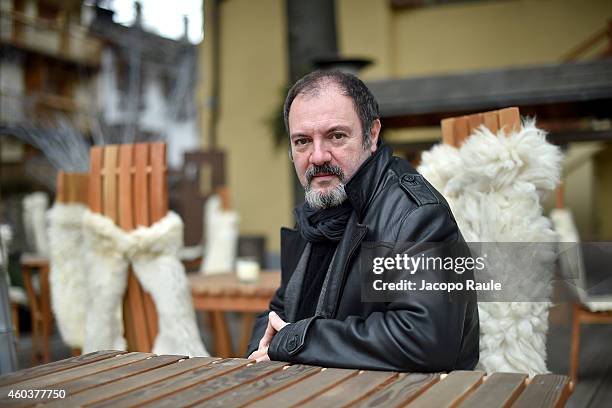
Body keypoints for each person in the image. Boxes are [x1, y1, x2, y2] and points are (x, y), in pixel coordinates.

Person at [246, 70, 479, 371]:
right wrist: (261, 349)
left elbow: (424, 338)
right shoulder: (317, 212)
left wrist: (297, 341)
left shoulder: (416, 215)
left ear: (371, 135)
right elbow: (280, 311)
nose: (317, 156)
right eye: (302, 141)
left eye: (336, 136)